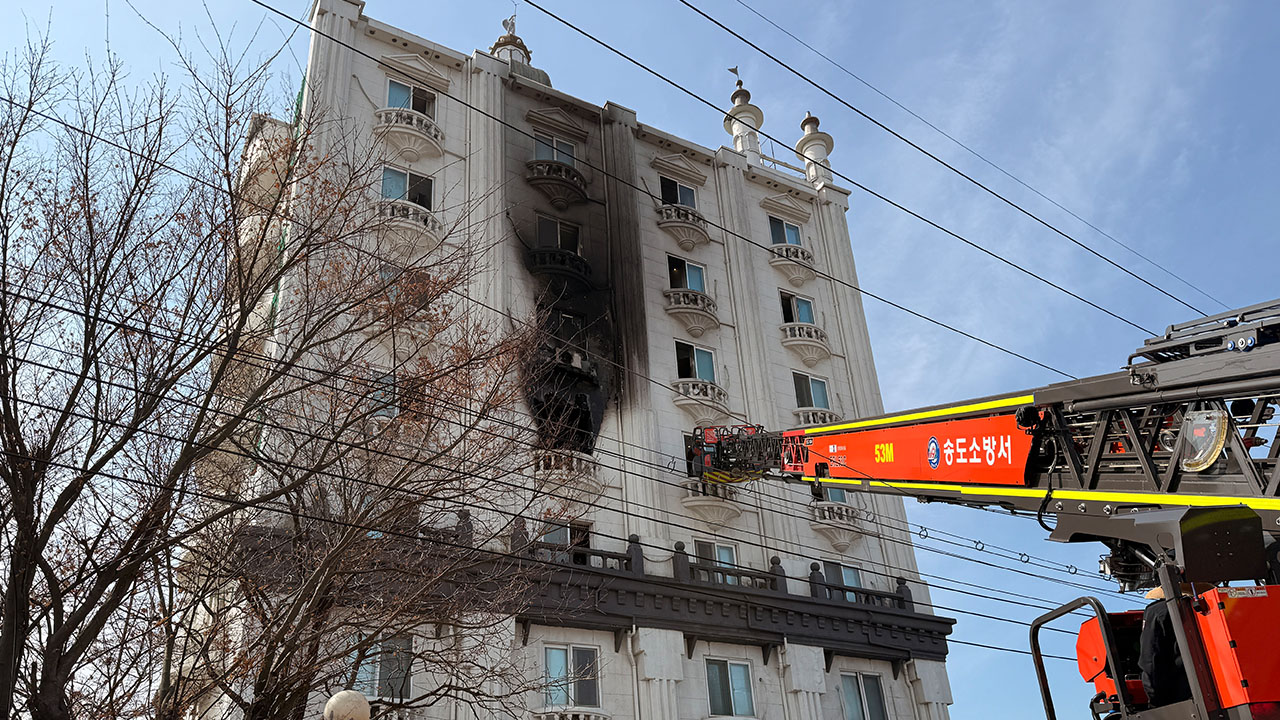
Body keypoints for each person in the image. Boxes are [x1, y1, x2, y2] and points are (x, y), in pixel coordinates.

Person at [1138, 585, 1193, 707]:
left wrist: (1155, 702)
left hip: (1178, 699)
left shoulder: (1157, 611)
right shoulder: (1210, 605)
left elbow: (1150, 660)